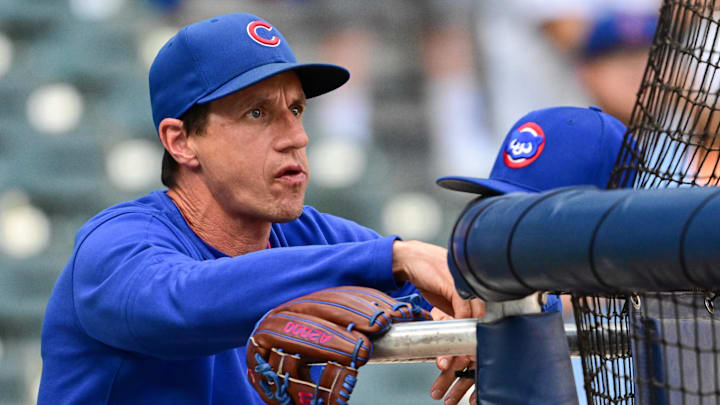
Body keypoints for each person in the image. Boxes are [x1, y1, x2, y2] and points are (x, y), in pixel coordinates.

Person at [37, 13, 483, 405]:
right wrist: (394, 257)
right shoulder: (114, 245)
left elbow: (485, 299)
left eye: (296, 109)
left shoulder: (310, 238)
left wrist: (469, 329)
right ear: (181, 140)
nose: (297, 136)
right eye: (257, 113)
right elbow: (182, 301)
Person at [437, 105, 634, 322]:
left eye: (533, 219)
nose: (507, 230)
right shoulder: (480, 293)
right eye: (498, 206)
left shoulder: (635, 318)